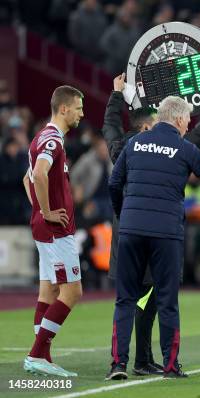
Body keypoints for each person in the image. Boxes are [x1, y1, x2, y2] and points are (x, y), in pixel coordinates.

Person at [106, 96, 200, 380]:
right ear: (177, 119)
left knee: (125, 300)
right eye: (188, 119)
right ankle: (171, 367)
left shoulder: (133, 144)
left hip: (130, 230)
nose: (189, 125)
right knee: (166, 300)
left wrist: (123, 214)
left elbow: (114, 184)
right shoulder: (183, 148)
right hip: (166, 233)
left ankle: (117, 365)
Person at [22, 85, 85, 377]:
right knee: (72, 291)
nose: (82, 114)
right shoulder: (52, 140)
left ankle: (42, 358)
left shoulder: (42, 137)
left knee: (49, 289)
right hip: (56, 229)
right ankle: (36, 354)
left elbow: (27, 179)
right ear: (64, 109)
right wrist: (46, 211)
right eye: (79, 108)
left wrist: (38, 209)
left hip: (44, 227)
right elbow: (37, 175)